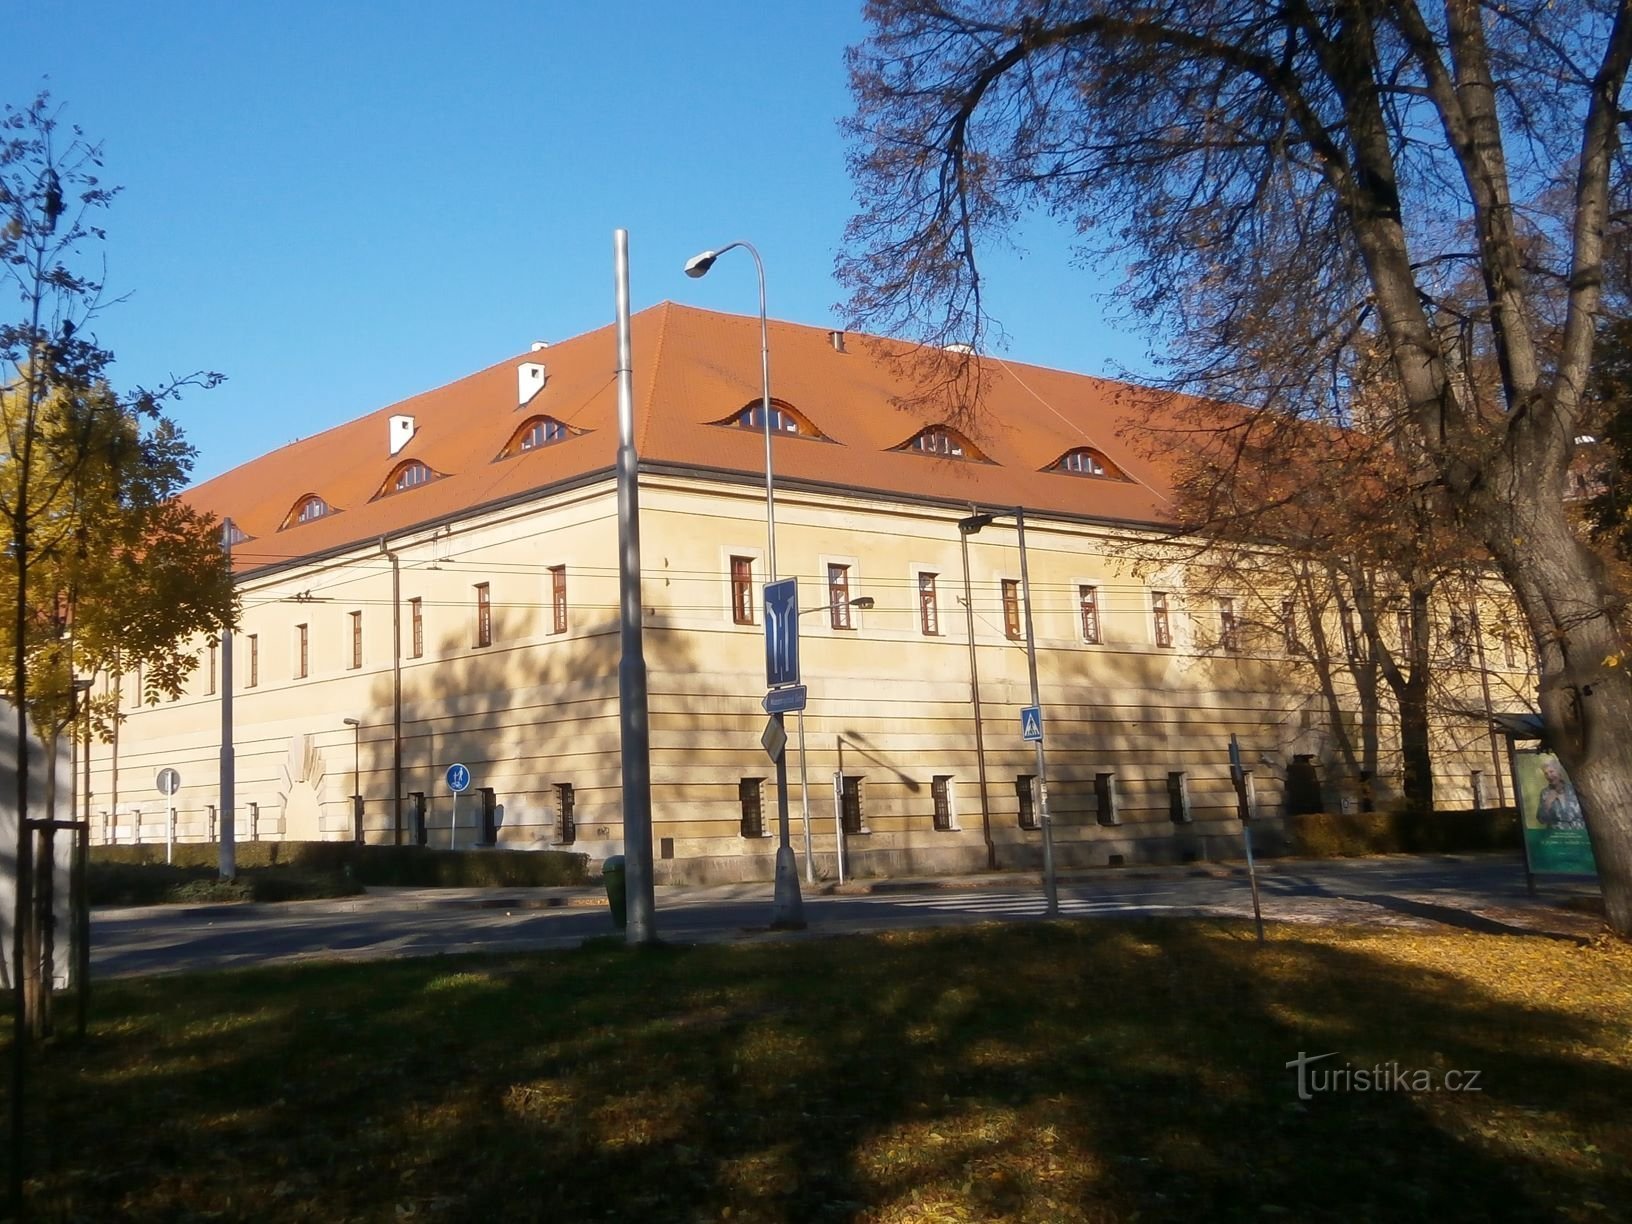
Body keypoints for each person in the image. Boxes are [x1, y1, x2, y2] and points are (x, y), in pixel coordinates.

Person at [1535, 758, 1586, 830]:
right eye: (1546, 774)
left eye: (1551, 772)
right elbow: (1541, 820)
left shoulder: (1574, 789)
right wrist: (1547, 803)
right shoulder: (1545, 793)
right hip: (1557, 836)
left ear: (1559, 772)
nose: (1549, 776)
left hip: (1578, 835)